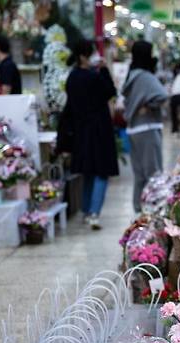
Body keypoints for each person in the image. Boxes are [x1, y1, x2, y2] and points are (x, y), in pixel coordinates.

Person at [59, 39, 118, 230]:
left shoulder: (72, 77)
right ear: (84, 56)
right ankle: (94, 212)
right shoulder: (94, 77)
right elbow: (110, 91)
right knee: (101, 172)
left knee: (88, 172)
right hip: (99, 130)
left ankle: (86, 211)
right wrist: (105, 70)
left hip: (81, 131)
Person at [122, 40, 168, 213]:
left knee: (140, 175)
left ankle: (138, 210)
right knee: (154, 173)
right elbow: (162, 95)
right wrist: (150, 105)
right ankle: (154, 210)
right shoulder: (146, 77)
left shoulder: (132, 74)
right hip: (148, 127)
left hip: (134, 129)